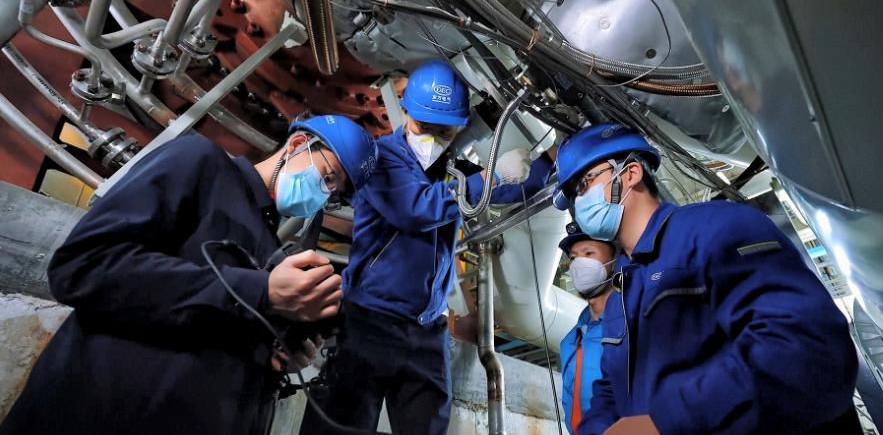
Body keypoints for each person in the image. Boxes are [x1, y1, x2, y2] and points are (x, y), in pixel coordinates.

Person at [0, 114, 378, 435]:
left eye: (334, 195)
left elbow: (204, 326)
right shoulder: (200, 164)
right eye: (328, 177)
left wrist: (273, 357)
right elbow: (83, 266)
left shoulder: (271, 252)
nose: (324, 196)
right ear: (297, 144)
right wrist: (260, 292)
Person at [551, 122, 861, 435]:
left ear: (630, 174)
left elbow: (806, 351)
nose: (578, 203)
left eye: (583, 185)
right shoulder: (622, 293)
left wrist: (666, 423)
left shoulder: (716, 227)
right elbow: (610, 388)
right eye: (573, 196)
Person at [306, 60, 555, 435]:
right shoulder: (378, 158)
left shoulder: (451, 172)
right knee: (340, 427)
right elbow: (417, 209)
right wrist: (492, 176)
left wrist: (553, 157)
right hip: (368, 321)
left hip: (426, 331)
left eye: (445, 131)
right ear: (406, 112)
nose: (434, 139)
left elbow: (513, 187)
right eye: (425, 127)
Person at [559, 222, 618, 434]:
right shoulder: (570, 341)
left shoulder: (633, 325)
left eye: (589, 253)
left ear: (615, 261)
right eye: (574, 258)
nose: (578, 264)